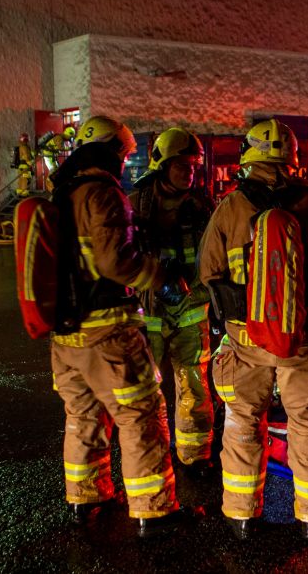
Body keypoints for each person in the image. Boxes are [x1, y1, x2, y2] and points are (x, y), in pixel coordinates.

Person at [198, 118, 308, 542]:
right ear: (292, 158)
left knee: (243, 422)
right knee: (307, 423)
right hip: (306, 337)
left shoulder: (231, 207)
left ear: (248, 158)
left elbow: (207, 270)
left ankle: (241, 517)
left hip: (246, 340)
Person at [47, 115, 192, 536]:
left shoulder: (64, 192)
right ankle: (153, 511)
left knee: (83, 415)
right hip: (107, 331)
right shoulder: (102, 193)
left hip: (66, 335)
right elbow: (116, 261)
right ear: (112, 151)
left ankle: (85, 499)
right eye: (124, 155)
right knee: (140, 415)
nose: (125, 163)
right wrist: (161, 277)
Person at [128, 128, 215, 473]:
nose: (189, 172)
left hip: (191, 306)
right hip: (149, 308)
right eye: (181, 165)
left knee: (193, 382)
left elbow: (214, 256)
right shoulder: (135, 205)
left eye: (193, 166)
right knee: (145, 387)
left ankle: (195, 455)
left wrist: (202, 295)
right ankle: (148, 458)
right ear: (162, 166)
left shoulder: (202, 206)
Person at [14, 133, 35, 197]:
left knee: (21, 180)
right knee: (25, 181)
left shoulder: (22, 147)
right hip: (25, 166)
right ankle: (24, 195)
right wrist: (32, 166)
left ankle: (19, 193)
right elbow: (27, 158)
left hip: (21, 167)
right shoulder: (24, 147)